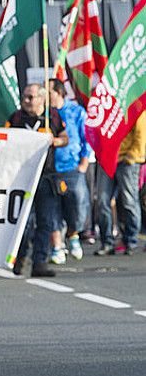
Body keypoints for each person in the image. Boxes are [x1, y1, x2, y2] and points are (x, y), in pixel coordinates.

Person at [9, 84, 69, 277]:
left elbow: (65, 138)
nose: (26, 101)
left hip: (46, 176)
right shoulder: (16, 118)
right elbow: (3, 140)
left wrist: (53, 140)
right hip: (22, 177)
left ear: (42, 99)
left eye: (31, 97)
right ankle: (19, 257)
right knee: (23, 222)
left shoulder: (52, 116)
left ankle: (40, 262)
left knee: (45, 221)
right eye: (24, 97)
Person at [47, 79, 91, 264]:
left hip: (71, 168)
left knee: (77, 207)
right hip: (50, 170)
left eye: (47, 90)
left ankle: (73, 234)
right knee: (52, 210)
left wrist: (84, 161)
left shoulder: (75, 111)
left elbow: (86, 136)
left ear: (58, 92)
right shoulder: (46, 114)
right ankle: (57, 248)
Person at [94, 112, 146, 256]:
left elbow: (141, 133)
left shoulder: (134, 105)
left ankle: (130, 240)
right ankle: (107, 242)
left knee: (129, 201)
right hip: (108, 158)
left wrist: (133, 156)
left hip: (127, 161)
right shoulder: (106, 106)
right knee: (102, 201)